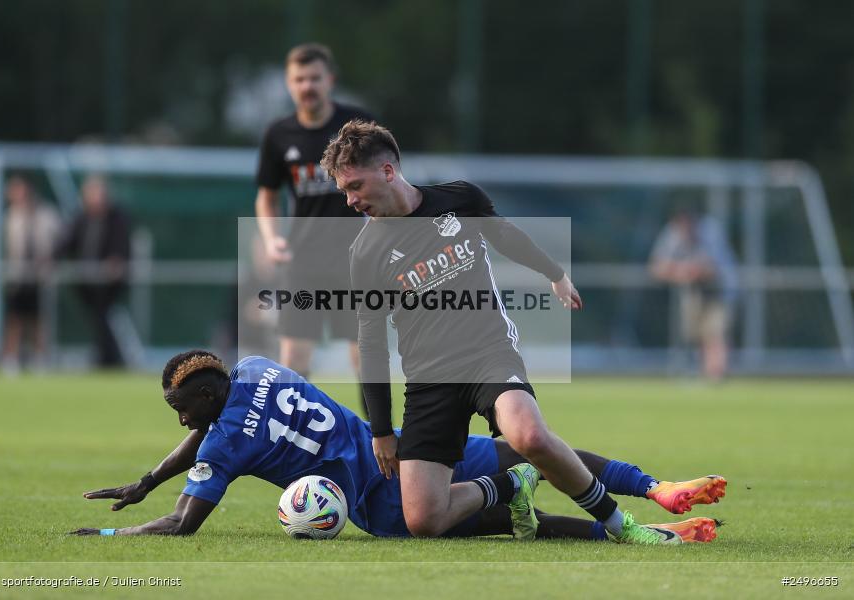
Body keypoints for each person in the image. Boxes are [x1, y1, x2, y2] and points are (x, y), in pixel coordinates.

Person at [320, 120, 680, 544]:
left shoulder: (459, 199)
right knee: (423, 520)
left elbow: (505, 235)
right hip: (429, 379)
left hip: (487, 353)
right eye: (344, 191)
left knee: (528, 435)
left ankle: (622, 527)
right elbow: (372, 340)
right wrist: (381, 428)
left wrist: (555, 274)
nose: (351, 201)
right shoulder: (364, 252)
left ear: (386, 171)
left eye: (355, 186)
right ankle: (511, 484)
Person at [72, 351, 724, 542]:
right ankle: (653, 490)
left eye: (181, 410)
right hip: (411, 448)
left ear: (207, 400)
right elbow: (204, 440)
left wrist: (112, 539)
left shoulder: (229, 442)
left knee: (509, 513)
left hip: (382, 503)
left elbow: (186, 525)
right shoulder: (254, 367)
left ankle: (519, 496)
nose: (180, 424)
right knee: (538, 448)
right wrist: (147, 480)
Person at [254, 43, 373, 413]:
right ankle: (295, 445)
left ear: (330, 80)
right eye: (299, 79)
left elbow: (387, 181)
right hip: (302, 260)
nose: (307, 86)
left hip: (356, 258)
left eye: (314, 78)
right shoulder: (278, 134)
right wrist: (272, 239)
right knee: (294, 360)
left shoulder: (358, 126)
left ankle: (379, 442)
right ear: (290, 84)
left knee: (366, 358)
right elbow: (267, 197)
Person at [649, 205, 738, 381]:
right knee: (697, 334)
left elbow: (711, 269)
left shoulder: (710, 232)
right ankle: (707, 373)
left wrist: (687, 270)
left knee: (716, 333)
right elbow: (656, 267)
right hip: (694, 292)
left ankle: (717, 374)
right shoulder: (672, 233)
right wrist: (680, 271)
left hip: (720, 290)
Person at [56, 175, 131, 368]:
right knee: (99, 320)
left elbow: (122, 247)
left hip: (109, 284)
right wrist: (52, 259)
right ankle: (107, 357)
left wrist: (116, 261)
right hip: (87, 282)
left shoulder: (117, 218)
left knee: (103, 317)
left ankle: (109, 358)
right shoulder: (80, 218)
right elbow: (66, 243)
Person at [1, 174, 61, 375]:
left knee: (38, 319)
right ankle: (10, 359)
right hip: (17, 275)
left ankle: (40, 358)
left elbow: (60, 240)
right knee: (14, 318)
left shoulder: (46, 214)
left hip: (39, 276)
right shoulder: (11, 216)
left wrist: (49, 259)